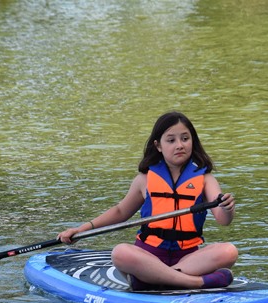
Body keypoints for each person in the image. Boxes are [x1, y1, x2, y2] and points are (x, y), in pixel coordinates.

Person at [58, 112, 238, 291]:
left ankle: (153, 279)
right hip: (148, 256)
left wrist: (227, 208)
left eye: (185, 139)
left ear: (193, 141)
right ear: (158, 146)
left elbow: (223, 219)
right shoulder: (144, 179)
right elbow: (120, 212)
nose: (179, 145)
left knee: (229, 251)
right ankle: (195, 282)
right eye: (171, 140)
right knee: (120, 253)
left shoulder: (206, 179)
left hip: (188, 260)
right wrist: (81, 229)